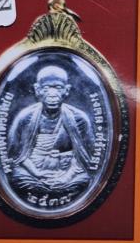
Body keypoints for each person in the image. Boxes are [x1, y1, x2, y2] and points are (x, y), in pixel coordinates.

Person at [8, 65, 94, 195]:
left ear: (66, 90)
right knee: (16, 178)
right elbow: (17, 155)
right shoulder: (25, 117)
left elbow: (83, 157)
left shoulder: (79, 118)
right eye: (46, 88)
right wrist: (37, 173)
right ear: (37, 90)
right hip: (33, 173)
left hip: (68, 173)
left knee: (84, 180)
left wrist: (65, 178)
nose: (52, 94)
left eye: (58, 88)